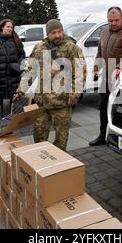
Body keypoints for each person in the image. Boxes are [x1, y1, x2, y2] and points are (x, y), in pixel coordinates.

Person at [15, 19, 86, 151]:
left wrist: (74, 95)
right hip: (41, 102)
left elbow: (80, 72)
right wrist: (21, 89)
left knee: (61, 138)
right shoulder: (39, 47)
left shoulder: (72, 48)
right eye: (53, 32)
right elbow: (31, 70)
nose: (58, 35)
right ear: (47, 34)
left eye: (60, 31)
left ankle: (57, 164)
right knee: (39, 133)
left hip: (62, 102)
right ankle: (42, 160)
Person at [89, 6, 122, 146]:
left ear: (121, 18)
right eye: (110, 20)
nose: (113, 23)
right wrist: (95, 68)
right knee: (102, 106)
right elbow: (100, 52)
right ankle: (102, 135)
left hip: (121, 78)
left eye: (116, 20)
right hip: (106, 77)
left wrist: (120, 67)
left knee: (120, 109)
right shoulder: (105, 31)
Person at [0, 19, 25, 116]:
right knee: (1, 98)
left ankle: (13, 119)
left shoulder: (16, 39)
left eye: (11, 27)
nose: (10, 29)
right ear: (2, 27)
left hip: (14, 74)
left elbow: (22, 55)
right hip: (1, 75)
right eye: (8, 26)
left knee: (15, 97)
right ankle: (2, 118)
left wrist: (19, 65)